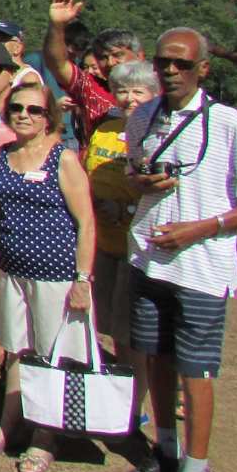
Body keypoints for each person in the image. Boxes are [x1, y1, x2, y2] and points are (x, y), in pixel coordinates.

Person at [121, 29, 237, 472]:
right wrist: (141, 181)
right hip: (150, 260)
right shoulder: (142, 116)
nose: (170, 71)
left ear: (204, 68)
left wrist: (200, 229)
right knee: (155, 358)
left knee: (197, 372)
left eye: (181, 63)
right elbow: (132, 173)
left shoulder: (230, 126)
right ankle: (164, 449)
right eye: (163, 62)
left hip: (202, 267)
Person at [0, 80, 94, 472]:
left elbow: (86, 223)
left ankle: (46, 435)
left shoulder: (63, 159)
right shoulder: (1, 157)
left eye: (34, 110)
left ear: (48, 118)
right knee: (15, 350)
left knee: (50, 354)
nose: (24, 115)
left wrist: (83, 279)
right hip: (12, 271)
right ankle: (10, 422)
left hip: (56, 275)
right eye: (17, 109)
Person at [83, 60, 159, 442]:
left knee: (133, 337)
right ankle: (114, 399)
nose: (129, 99)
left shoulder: (159, 133)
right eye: (123, 91)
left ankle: (133, 410)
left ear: (154, 94)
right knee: (108, 330)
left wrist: (126, 210)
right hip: (103, 245)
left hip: (139, 249)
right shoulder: (107, 130)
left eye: (139, 92)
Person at [43, 0, 145, 141]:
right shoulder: (90, 87)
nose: (110, 63)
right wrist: (56, 25)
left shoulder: (158, 90)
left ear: (139, 56)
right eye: (103, 57)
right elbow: (57, 63)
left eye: (117, 55)